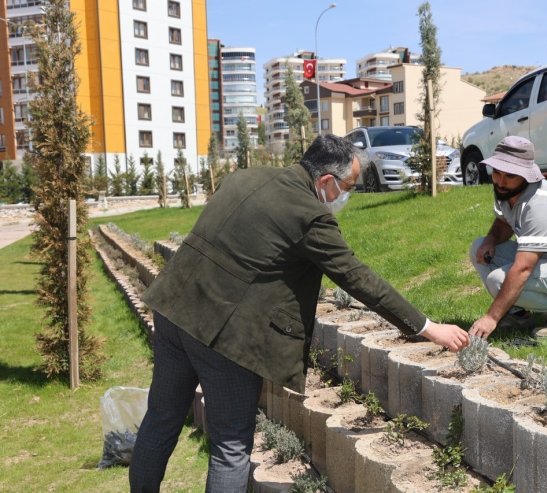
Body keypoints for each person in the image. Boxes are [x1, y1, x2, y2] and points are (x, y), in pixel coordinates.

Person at [129, 134, 469, 492]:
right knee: (230, 448)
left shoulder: (246, 176)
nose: (345, 196)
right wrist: (427, 327)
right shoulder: (308, 215)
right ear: (325, 181)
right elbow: (358, 278)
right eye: (347, 187)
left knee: (161, 419)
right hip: (222, 335)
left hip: (173, 305)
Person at [467, 136, 547, 341]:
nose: (500, 181)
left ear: (525, 175)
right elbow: (503, 222)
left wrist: (491, 318)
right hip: (545, 259)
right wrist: (491, 240)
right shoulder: (507, 190)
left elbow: (523, 269)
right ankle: (518, 314)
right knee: (478, 248)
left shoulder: (540, 204)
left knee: (499, 280)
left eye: (509, 175)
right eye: (497, 173)